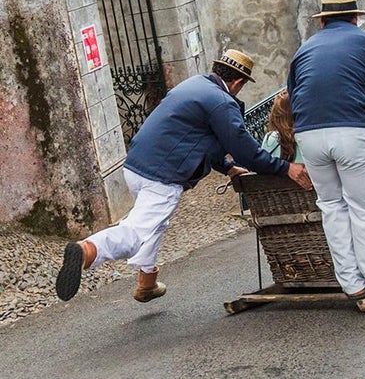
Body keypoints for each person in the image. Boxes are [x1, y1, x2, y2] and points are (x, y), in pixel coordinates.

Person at [55, 49, 312, 303]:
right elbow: (244, 149)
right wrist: (285, 168)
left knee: (154, 223)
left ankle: (147, 283)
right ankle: (88, 250)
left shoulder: (193, 85)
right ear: (238, 82)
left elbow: (201, 140)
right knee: (136, 233)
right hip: (163, 175)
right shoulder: (222, 102)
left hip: (135, 166)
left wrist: (227, 168)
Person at [287, 0, 365, 314]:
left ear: (323, 20)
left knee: (331, 207)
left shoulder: (304, 50)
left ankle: (353, 286)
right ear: (355, 18)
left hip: (309, 135)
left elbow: (293, 94)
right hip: (353, 131)